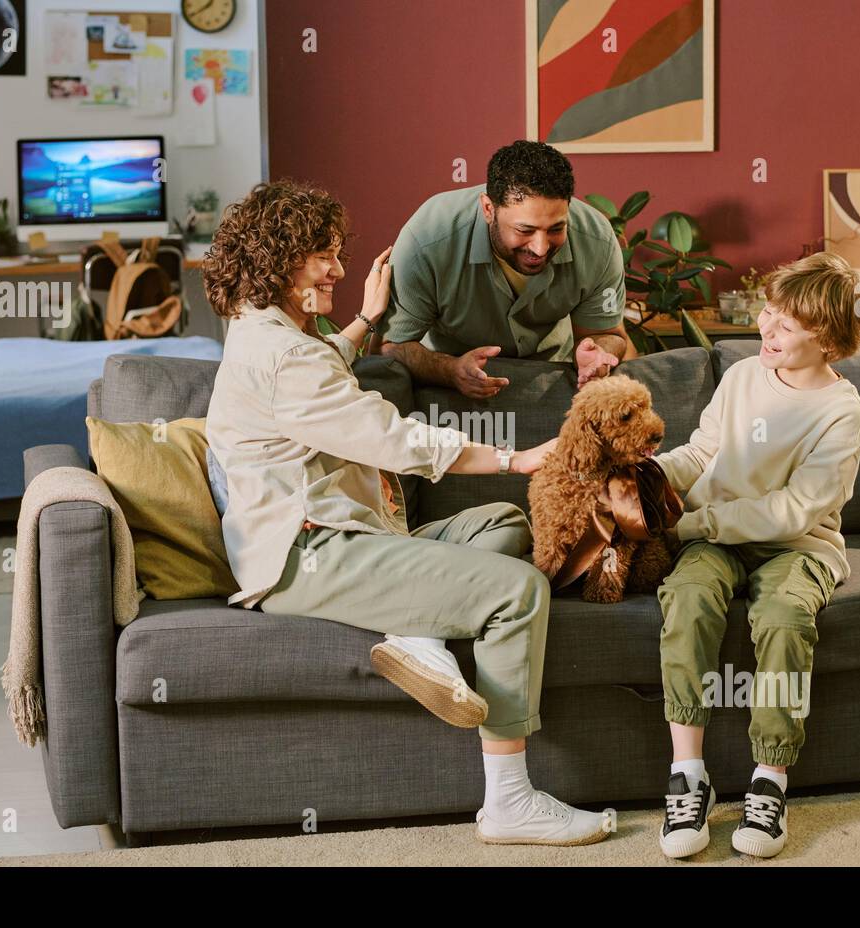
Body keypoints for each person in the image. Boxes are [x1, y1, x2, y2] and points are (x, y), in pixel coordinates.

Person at [202, 180, 610, 847]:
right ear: (279, 261)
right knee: (518, 591)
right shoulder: (284, 354)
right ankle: (510, 801)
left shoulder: (265, 332)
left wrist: (363, 322)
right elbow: (392, 438)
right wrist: (515, 460)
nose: (337, 268)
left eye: (337, 253)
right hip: (309, 553)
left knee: (503, 525)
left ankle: (417, 633)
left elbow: (318, 375)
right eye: (322, 256)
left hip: (346, 536)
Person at [650, 252, 860, 860]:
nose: (766, 330)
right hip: (712, 537)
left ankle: (769, 785)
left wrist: (694, 524)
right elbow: (702, 452)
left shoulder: (842, 410)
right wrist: (649, 475)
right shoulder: (744, 376)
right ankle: (687, 777)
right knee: (689, 598)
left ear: (825, 336)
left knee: (783, 619)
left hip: (797, 545)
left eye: (785, 324)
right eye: (767, 313)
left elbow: (795, 509)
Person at [376, 140, 635, 398]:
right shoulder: (427, 238)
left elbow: (607, 334)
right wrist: (450, 370)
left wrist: (597, 355)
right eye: (525, 230)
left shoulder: (597, 240)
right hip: (445, 384)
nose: (541, 248)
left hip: (554, 373)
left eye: (556, 229)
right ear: (489, 209)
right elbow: (390, 347)